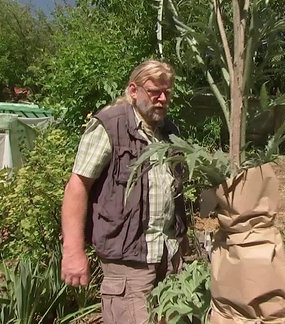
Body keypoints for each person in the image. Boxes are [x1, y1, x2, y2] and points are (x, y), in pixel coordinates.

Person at [60, 60, 188, 324]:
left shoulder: (169, 132)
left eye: (167, 93)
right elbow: (77, 186)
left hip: (168, 256)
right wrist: (72, 252)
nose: (162, 99)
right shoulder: (110, 126)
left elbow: (174, 194)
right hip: (129, 262)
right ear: (133, 90)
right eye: (155, 92)